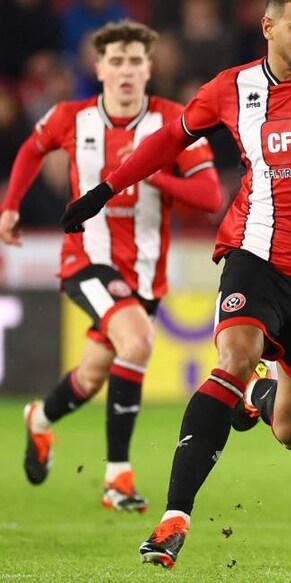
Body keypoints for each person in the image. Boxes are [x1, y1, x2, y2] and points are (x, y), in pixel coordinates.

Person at [59, 0, 291, 569]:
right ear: (268, 28)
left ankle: (260, 395)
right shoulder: (231, 88)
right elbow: (169, 141)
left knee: (290, 432)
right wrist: (105, 189)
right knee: (235, 357)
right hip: (255, 252)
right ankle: (174, 518)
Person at [2, 20, 222, 512]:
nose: (125, 70)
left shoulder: (174, 121)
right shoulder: (70, 117)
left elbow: (210, 196)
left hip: (145, 274)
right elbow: (31, 150)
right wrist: (10, 206)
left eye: (135, 61)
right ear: (99, 69)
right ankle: (117, 476)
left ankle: (40, 418)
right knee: (137, 342)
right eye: (116, 61)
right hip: (88, 260)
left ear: (149, 69)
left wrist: (152, 174)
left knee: (92, 375)